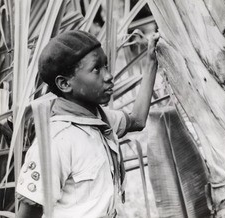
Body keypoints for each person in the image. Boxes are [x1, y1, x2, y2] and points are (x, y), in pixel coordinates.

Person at [16, 30, 159, 218]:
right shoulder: (55, 142)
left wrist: (150, 63)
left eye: (106, 65)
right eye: (96, 69)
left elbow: (137, 120)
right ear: (65, 84)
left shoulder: (99, 119)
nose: (109, 76)